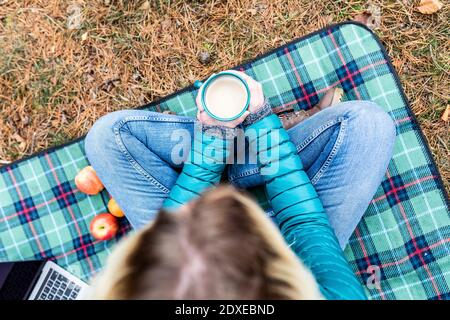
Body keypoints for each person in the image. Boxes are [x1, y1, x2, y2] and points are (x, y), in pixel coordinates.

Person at [84, 71, 396, 299]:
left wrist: (211, 146)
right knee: (369, 127)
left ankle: (233, 154)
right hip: (292, 251)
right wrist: (261, 122)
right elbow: (305, 223)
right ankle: (255, 147)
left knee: (107, 139)